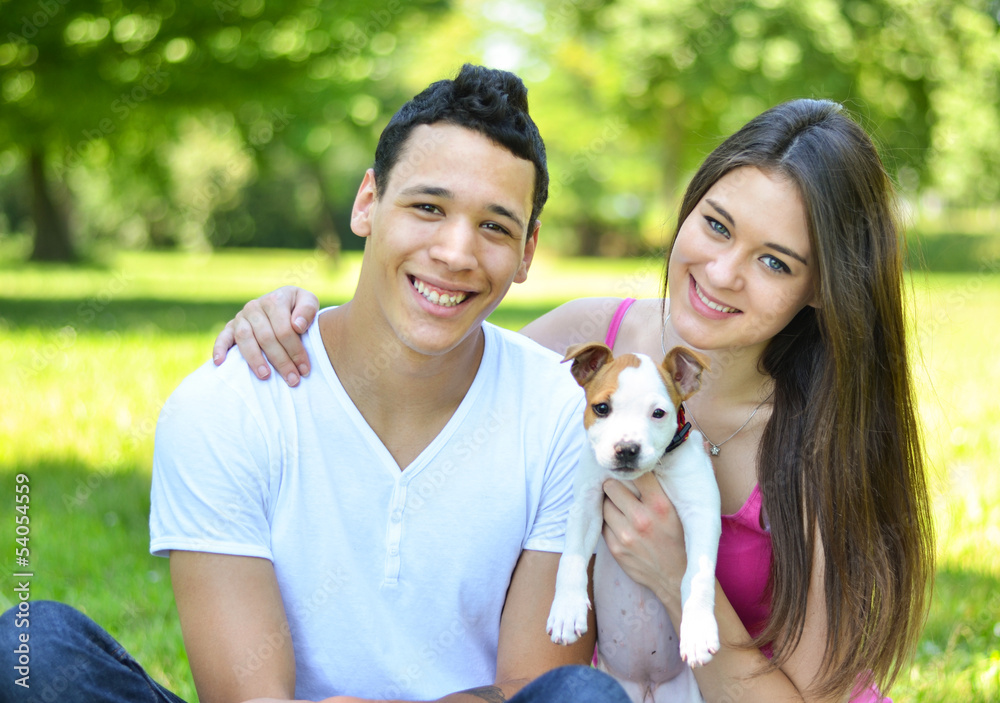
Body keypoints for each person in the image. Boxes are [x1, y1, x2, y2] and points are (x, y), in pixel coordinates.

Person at [217, 98, 936, 703]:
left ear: (822, 289)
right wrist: (290, 318)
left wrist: (678, 567)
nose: (720, 273)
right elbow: (413, 373)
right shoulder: (585, 340)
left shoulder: (825, 443)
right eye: (715, 225)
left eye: (774, 261)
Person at [0, 65, 633, 703]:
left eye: (495, 226)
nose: (455, 251)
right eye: (427, 207)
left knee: (583, 697)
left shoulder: (562, 418)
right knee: (33, 645)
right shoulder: (230, 402)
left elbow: (532, 685)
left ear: (527, 251)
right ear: (368, 202)